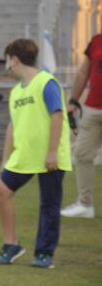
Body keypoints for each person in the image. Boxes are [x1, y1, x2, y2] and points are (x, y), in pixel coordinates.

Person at [0, 39, 71, 269]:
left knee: (49, 204)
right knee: (1, 191)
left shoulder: (46, 82)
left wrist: (52, 152)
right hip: (25, 156)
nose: (7, 66)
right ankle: (11, 244)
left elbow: (56, 115)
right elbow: (12, 126)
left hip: (50, 156)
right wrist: (5, 160)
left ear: (13, 59)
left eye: (7, 60)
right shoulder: (17, 91)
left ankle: (44, 254)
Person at [61, 32, 102, 219]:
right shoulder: (96, 40)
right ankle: (85, 204)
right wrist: (74, 100)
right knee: (81, 155)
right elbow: (84, 71)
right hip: (92, 108)